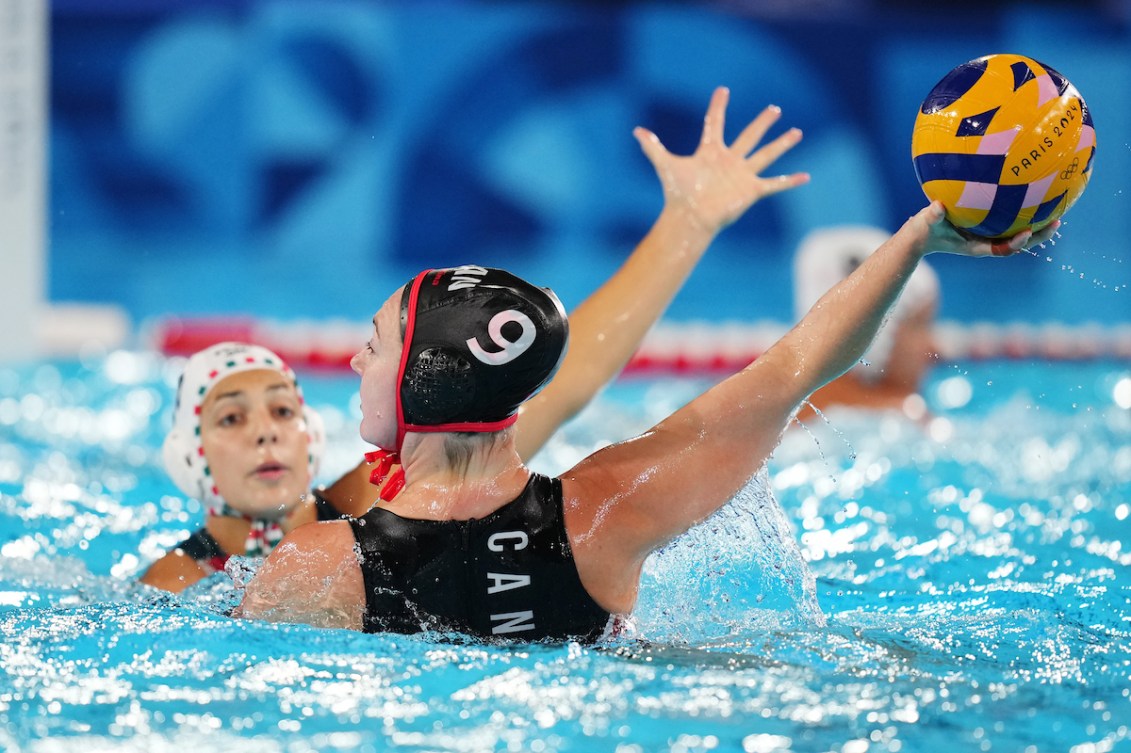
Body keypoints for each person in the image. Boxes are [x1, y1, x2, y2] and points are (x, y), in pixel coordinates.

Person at [233, 87, 1059, 642]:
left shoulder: (316, 565)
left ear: (423, 381)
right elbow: (793, 369)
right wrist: (921, 234)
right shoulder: (608, 511)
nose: (352, 357)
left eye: (375, 344)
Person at [138, 86, 808, 593]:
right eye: (231, 417)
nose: (266, 432)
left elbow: (566, 377)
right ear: (190, 455)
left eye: (282, 409)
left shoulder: (376, 504)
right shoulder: (173, 582)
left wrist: (685, 223)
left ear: (311, 433)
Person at [791, 225, 940, 421]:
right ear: (877, 333)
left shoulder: (772, 414)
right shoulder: (906, 418)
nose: (933, 347)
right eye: (919, 325)